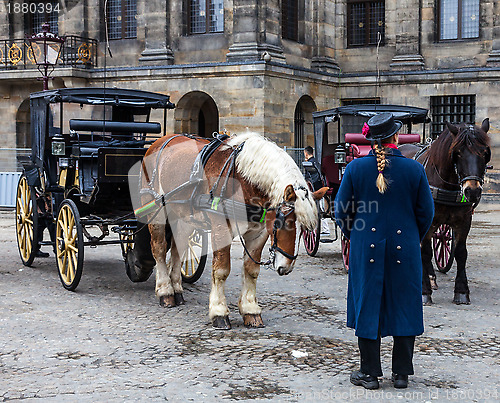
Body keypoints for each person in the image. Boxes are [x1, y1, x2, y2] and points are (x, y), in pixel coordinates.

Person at [334, 112, 434, 389]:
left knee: (367, 303)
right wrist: (414, 237)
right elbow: (426, 212)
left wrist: (357, 235)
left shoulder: (354, 169)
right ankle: (401, 374)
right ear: (396, 138)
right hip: (407, 249)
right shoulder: (415, 170)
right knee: (405, 304)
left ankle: (369, 373)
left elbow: (341, 211)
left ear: (372, 141)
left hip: (366, 246)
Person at [303, 146, 330, 236]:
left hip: (315, 189)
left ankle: (323, 229)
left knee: (320, 208)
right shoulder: (316, 162)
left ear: (306, 153)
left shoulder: (309, 164)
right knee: (322, 208)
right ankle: (325, 229)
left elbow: (308, 178)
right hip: (321, 186)